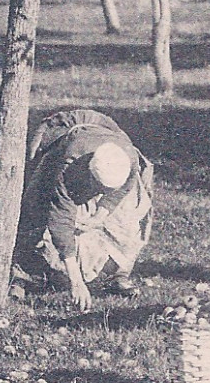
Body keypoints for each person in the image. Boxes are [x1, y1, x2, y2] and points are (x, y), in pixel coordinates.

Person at [12, 109, 154, 311]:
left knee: (129, 218)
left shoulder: (129, 159)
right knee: (36, 209)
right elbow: (60, 220)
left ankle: (118, 274)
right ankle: (23, 275)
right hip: (71, 139)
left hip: (106, 132)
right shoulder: (71, 161)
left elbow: (122, 190)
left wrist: (100, 215)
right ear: (89, 173)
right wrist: (76, 281)